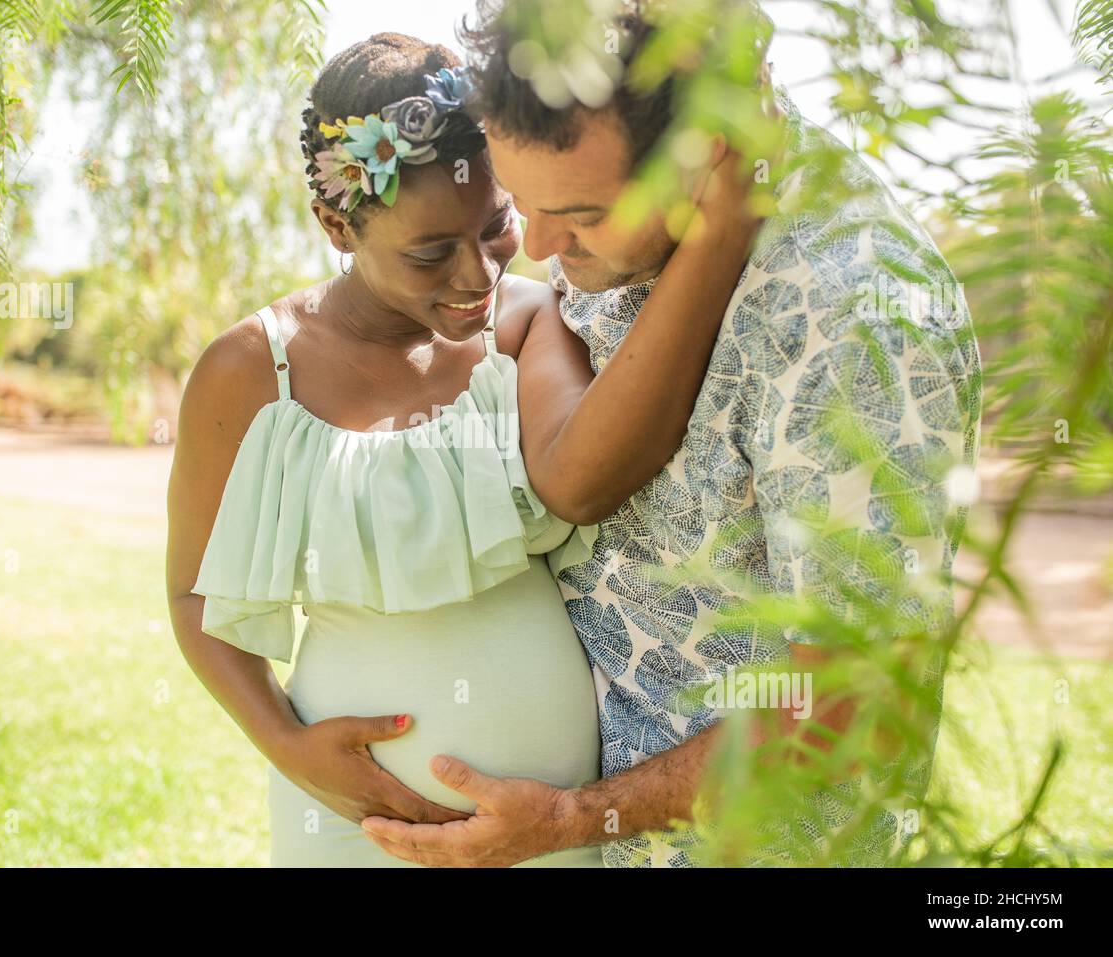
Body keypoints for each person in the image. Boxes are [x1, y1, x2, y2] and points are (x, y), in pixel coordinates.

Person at [360, 1, 982, 868]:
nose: (537, 248)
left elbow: (858, 705)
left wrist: (579, 817)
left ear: (707, 156)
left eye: (578, 212)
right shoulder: (634, 229)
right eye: (523, 204)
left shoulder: (852, 316)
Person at [165, 32, 759, 866]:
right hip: (354, 824)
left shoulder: (523, 321)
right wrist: (288, 748)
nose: (478, 273)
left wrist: (715, 237)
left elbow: (579, 483)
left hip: (547, 827)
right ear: (337, 224)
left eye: (494, 227)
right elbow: (196, 599)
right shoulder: (250, 373)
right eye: (429, 252)